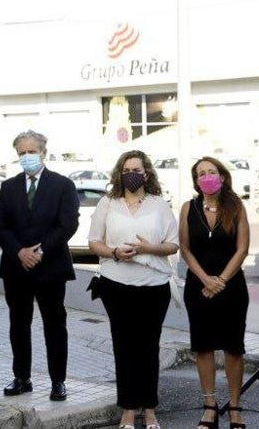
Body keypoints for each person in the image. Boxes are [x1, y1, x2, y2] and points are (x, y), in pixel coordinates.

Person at [87, 150, 178, 429]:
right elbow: (94, 242)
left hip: (154, 286)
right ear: (119, 173)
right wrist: (114, 252)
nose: (131, 174)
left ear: (146, 173)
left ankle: (149, 408)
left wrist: (149, 248)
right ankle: (128, 409)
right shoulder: (108, 203)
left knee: (148, 348)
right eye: (126, 169)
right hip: (116, 285)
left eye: (136, 169)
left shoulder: (159, 204)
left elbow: (173, 244)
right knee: (124, 347)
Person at [0, 130, 79, 401]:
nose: (27, 157)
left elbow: (67, 224)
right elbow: (0, 225)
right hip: (16, 268)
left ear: (43, 152)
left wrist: (40, 250)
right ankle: (22, 377)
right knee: (18, 324)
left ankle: (58, 381)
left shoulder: (63, 185)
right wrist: (19, 251)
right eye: (22, 153)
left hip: (50, 267)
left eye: (32, 151)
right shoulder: (9, 187)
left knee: (54, 325)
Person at [179, 156, 250, 429]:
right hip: (198, 287)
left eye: (211, 172)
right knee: (203, 347)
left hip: (232, 287)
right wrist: (205, 280)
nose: (206, 176)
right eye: (201, 173)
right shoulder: (188, 208)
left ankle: (235, 407)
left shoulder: (236, 206)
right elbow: (184, 249)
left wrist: (220, 280)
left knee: (234, 349)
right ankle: (210, 406)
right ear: (196, 181)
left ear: (222, 176)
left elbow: (242, 248)